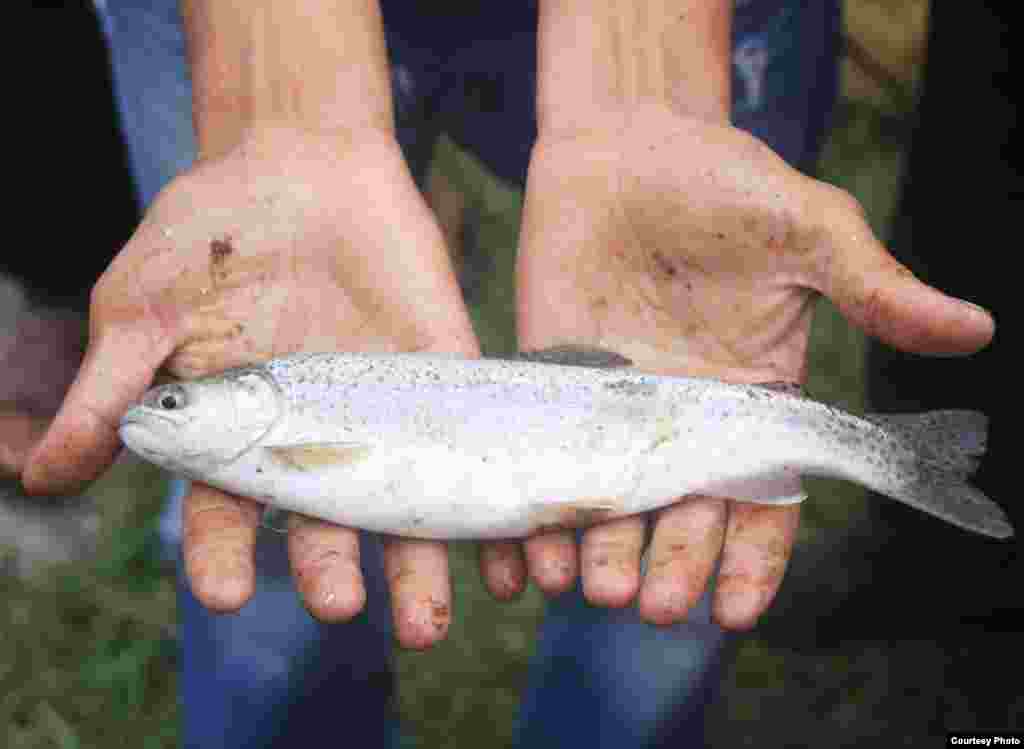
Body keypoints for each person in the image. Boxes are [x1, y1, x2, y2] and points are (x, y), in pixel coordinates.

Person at [13, 1, 995, 747]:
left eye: (178, 400)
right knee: (266, 578)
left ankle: (882, 462)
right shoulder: (269, 437)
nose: (160, 408)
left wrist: (642, 86)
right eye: (174, 400)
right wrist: (278, 107)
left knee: (667, 592)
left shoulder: (286, 435)